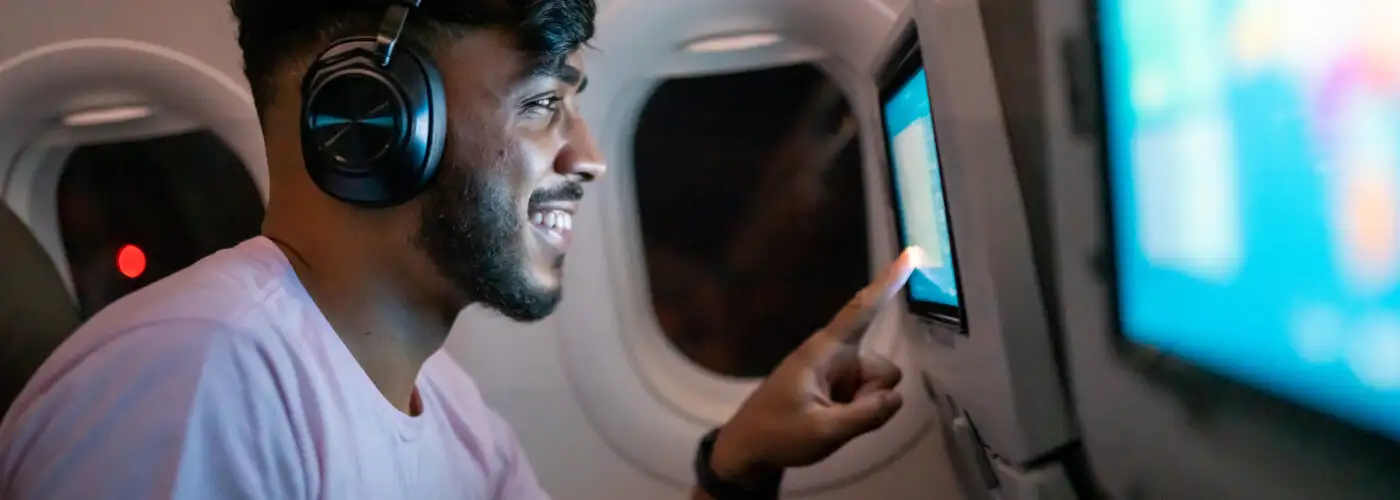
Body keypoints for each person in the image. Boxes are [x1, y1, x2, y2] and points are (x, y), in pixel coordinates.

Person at [0, 0, 924, 498]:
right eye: (538, 103)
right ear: (370, 124)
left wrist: (738, 460)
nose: (589, 157)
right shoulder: (197, 382)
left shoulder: (444, 404)